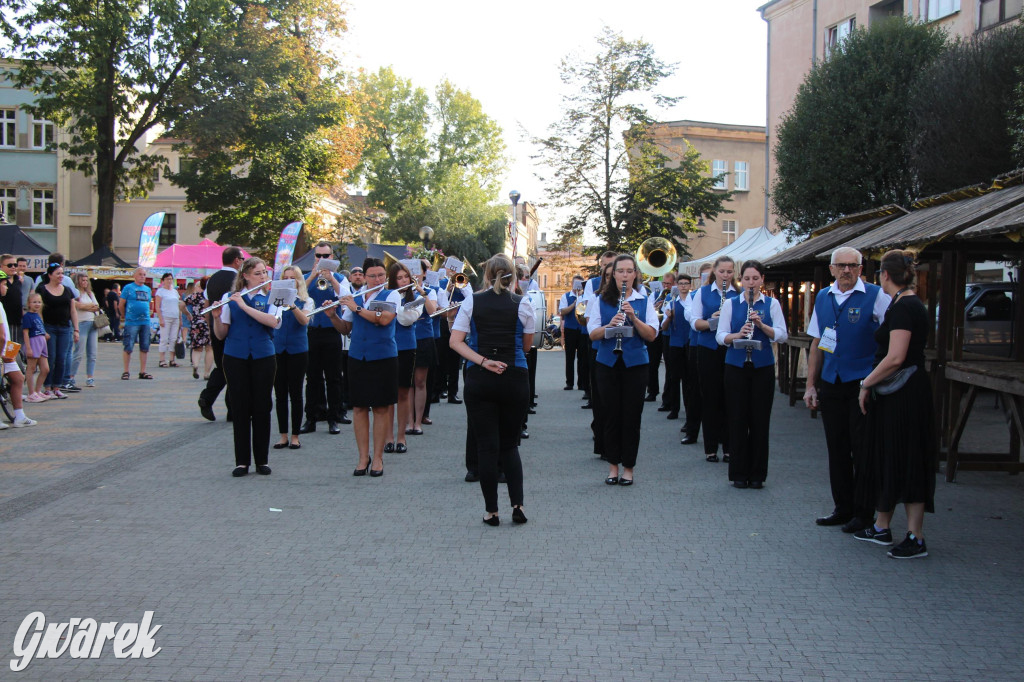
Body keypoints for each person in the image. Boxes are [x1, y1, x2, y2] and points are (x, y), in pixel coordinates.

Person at [853, 250, 934, 559]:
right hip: (900, 393)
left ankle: (915, 535)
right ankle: (882, 524)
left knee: (909, 456)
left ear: (884, 275)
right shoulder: (905, 303)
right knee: (888, 454)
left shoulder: (905, 307)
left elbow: (896, 357)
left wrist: (866, 382)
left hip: (905, 395)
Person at [804, 247, 891, 533]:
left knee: (862, 448)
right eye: (841, 266)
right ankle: (842, 507)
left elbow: (892, 336)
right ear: (831, 269)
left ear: (861, 269)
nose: (846, 271)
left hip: (862, 382)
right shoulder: (823, 297)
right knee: (837, 446)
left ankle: (864, 512)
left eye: (853, 266)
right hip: (832, 380)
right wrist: (811, 385)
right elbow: (817, 343)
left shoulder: (876, 296)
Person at [449, 254, 534, 526]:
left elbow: (456, 341)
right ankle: (518, 505)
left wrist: (484, 361)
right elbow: (527, 346)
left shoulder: (472, 301)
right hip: (514, 376)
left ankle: (491, 512)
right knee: (510, 445)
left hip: (481, 377)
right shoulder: (524, 304)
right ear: (514, 276)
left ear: (487, 276)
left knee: (487, 447)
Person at [716, 261, 788, 489]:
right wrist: (738, 334)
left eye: (755, 278)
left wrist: (761, 325)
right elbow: (721, 336)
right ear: (741, 280)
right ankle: (738, 473)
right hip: (735, 367)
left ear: (762, 280)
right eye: (746, 279)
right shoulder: (731, 304)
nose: (751, 283)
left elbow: (782, 335)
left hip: (762, 367)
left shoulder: (772, 304)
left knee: (759, 421)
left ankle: (757, 474)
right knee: (737, 419)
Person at [588, 253, 659, 486]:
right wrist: (610, 326)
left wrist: (632, 318)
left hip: (636, 364)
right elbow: (593, 334)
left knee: (631, 417)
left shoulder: (643, 300)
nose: (625, 275)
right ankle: (612, 467)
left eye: (630, 271)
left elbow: (651, 335)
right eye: (621, 271)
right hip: (607, 363)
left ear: (636, 274)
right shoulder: (599, 299)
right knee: (610, 415)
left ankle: (628, 468)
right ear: (613, 274)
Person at [212, 257, 282, 476]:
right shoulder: (228, 298)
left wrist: (243, 305)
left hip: (263, 356)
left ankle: (262, 460)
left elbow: (273, 322)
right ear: (246, 276)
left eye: (264, 273)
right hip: (235, 356)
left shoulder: (272, 297)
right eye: (258, 274)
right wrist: (216, 318)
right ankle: (241, 461)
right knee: (240, 407)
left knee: (262, 407)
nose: (263, 277)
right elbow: (221, 334)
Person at [335, 258, 403, 477]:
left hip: (383, 357)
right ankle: (363, 457)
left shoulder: (391, 295)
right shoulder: (355, 296)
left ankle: (379, 458)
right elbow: (345, 328)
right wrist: (331, 316)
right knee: (359, 408)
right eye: (373, 276)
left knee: (381, 408)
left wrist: (356, 308)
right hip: (357, 357)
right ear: (364, 277)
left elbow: (384, 320)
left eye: (381, 275)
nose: (377, 279)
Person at [689, 256, 739, 463]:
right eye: (722, 272)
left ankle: (729, 447)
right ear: (714, 272)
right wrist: (713, 321)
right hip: (708, 348)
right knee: (710, 397)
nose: (725, 276)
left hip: (731, 349)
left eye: (729, 272)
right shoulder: (702, 292)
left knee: (731, 397)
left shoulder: (740, 293)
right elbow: (695, 322)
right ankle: (710, 447)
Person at [301, 241, 350, 434]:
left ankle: (334, 416)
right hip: (312, 331)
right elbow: (298, 295)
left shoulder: (339, 278)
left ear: (331, 257)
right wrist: (313, 275)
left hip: (332, 331)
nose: (322, 259)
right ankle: (312, 417)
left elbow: (346, 297)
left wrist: (331, 279)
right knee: (312, 378)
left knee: (334, 377)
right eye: (318, 256)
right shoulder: (306, 277)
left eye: (326, 256)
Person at [199, 247, 244, 420]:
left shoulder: (212, 279)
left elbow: (207, 305)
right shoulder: (238, 279)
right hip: (233, 328)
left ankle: (209, 398)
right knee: (233, 368)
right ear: (237, 260)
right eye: (241, 259)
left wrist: (211, 323)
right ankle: (230, 408)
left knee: (222, 366)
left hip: (216, 326)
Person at [273, 265, 313, 450]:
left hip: (298, 350)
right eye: (286, 278)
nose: (290, 281)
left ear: (299, 281)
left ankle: (295, 435)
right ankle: (283, 435)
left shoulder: (306, 301)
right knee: (280, 394)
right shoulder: (275, 301)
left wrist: (293, 305)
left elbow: (304, 321)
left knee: (296, 393)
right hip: (278, 350)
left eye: (293, 278)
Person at [388, 262, 419, 453]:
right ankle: (388, 437)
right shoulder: (386, 295)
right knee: (388, 394)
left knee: (403, 393)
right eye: (399, 278)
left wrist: (395, 304)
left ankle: (401, 437)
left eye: (406, 277)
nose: (403, 281)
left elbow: (405, 319)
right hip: (387, 347)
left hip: (407, 347)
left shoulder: (416, 298)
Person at [680, 263, 712, 445]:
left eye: (710, 276)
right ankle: (692, 430)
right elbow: (689, 315)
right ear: (700, 278)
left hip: (718, 347)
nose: (708, 280)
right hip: (696, 345)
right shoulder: (694, 295)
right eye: (705, 277)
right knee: (695, 390)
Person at [0, 269, 36, 426]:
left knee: (18, 378)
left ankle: (19, 416)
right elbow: (1, 335)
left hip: (6, 349)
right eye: (3, 284)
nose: (6, 287)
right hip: (3, 351)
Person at [38, 263, 79, 398]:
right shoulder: (42, 290)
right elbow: (39, 311)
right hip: (49, 327)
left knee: (62, 358)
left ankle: (57, 386)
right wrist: (42, 329)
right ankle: (47, 387)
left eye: (62, 273)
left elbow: (73, 310)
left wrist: (76, 329)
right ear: (50, 275)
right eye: (58, 273)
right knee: (51, 357)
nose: (61, 276)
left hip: (65, 327)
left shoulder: (67, 290)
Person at [409, 263, 439, 435]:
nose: (414, 275)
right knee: (407, 383)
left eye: (417, 272)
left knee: (420, 381)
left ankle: (418, 421)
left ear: (424, 273)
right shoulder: (400, 291)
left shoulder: (430, 290)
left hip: (424, 338)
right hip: (405, 339)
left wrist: (421, 291)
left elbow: (432, 310)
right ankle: (408, 420)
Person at [661, 274, 692, 421]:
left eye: (686, 283)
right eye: (681, 284)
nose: (684, 286)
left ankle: (689, 408)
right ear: (677, 286)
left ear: (690, 285)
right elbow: (664, 327)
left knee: (688, 379)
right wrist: (669, 317)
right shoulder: (671, 302)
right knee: (674, 377)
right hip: (675, 342)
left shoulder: (694, 301)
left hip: (690, 342)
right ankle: (674, 408)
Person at [119, 267, 153, 380]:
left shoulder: (148, 289)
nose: (142, 276)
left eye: (144, 274)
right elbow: (121, 304)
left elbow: (148, 304)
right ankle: (125, 371)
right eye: (140, 274)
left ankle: (143, 371)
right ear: (135, 275)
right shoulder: (128, 288)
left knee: (145, 346)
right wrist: (124, 315)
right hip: (132, 321)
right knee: (128, 346)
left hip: (145, 321)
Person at [69, 273, 100, 388]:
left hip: (93, 323)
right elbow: (78, 306)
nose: (85, 282)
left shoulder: (90, 293)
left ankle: (90, 377)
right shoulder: (75, 294)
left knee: (92, 353)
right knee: (78, 352)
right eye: (83, 280)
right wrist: (88, 307)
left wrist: (85, 306)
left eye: (86, 280)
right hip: (81, 323)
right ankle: (71, 376)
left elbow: (96, 306)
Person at [559, 275, 589, 393]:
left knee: (582, 357)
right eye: (576, 284)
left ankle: (581, 383)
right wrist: (574, 304)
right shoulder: (566, 296)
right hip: (570, 329)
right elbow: (562, 311)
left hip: (581, 329)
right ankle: (569, 383)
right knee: (570, 357)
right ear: (572, 284)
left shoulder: (585, 297)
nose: (577, 287)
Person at [22, 293, 50, 402]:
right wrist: (28, 348)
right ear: (29, 304)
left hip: (41, 341)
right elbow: (25, 333)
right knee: (31, 367)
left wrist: (44, 334)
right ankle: (31, 393)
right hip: (33, 341)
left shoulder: (37, 315)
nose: (37, 304)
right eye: (34, 302)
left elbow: (39, 327)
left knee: (45, 369)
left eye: (39, 302)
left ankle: (37, 390)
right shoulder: (27, 316)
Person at [184, 280, 213, 380]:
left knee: (197, 348)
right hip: (208, 323)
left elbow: (181, 304)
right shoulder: (210, 295)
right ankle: (206, 373)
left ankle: (195, 365)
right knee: (209, 348)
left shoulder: (194, 296)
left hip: (196, 323)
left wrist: (187, 313)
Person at [154, 273, 183, 368]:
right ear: (163, 280)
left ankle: (172, 359)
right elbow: (157, 306)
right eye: (167, 279)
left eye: (170, 279)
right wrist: (160, 318)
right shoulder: (160, 291)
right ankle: (162, 359)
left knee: (173, 339)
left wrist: (180, 318)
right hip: (166, 316)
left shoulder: (175, 292)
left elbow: (178, 305)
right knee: (164, 338)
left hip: (175, 317)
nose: (169, 281)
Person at [0, 255, 24, 354]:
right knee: (10, 353)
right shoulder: (2, 282)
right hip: (6, 322)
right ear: (1, 266)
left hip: (17, 321)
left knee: (15, 349)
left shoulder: (18, 281)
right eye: (10, 265)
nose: (13, 267)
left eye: (15, 265)